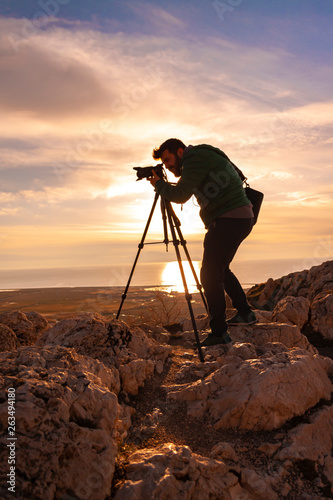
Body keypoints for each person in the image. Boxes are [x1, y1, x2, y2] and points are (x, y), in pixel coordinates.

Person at [149, 138, 257, 347]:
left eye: (169, 160)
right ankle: (245, 313)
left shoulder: (194, 159)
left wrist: (159, 185)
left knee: (209, 274)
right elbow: (186, 187)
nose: (169, 166)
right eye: (165, 164)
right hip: (240, 217)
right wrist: (163, 184)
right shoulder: (201, 156)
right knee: (221, 269)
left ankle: (219, 333)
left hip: (228, 218)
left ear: (180, 152)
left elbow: (180, 195)